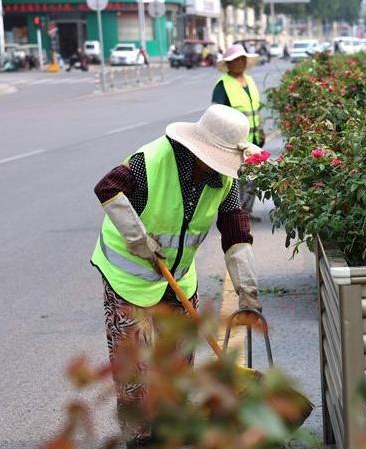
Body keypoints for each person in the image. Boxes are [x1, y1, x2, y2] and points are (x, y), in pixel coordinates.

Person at [90, 105, 263, 447]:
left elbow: (236, 234)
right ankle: (140, 437)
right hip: (128, 275)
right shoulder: (151, 161)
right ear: (199, 147)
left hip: (178, 277)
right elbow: (107, 188)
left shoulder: (223, 181)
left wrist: (248, 292)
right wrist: (139, 239)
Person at [212, 44, 263, 219]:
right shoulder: (222, 85)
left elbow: (256, 108)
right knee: (237, 180)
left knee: (254, 178)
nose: (240, 62)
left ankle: (246, 212)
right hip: (234, 142)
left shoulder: (250, 81)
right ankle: (235, 214)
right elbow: (217, 115)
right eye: (235, 60)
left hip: (253, 140)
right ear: (228, 64)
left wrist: (260, 130)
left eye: (242, 59)